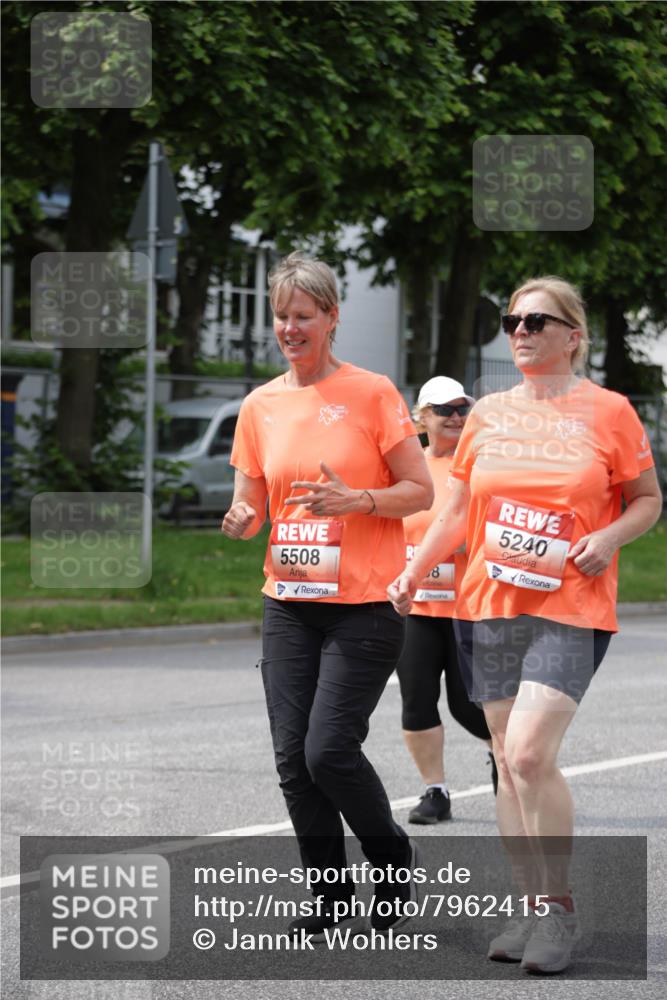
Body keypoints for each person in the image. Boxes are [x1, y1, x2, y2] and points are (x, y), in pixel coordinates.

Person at [388, 276, 661, 974]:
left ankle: (559, 911)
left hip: (571, 605)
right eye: (511, 320)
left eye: (537, 321)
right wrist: (415, 571)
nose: (520, 331)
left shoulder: (607, 411)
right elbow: (456, 511)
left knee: (533, 754)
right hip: (488, 604)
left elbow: (645, 500)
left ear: (572, 335)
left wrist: (609, 539)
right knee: (508, 766)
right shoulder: (487, 415)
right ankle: (530, 906)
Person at [221, 252, 433, 939]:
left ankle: (390, 856)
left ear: (331, 318)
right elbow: (253, 500)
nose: (289, 327)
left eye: (302, 316)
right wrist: (241, 518)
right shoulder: (260, 404)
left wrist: (359, 498)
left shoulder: (371, 393)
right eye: (281, 316)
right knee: (291, 759)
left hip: (365, 608)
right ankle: (330, 894)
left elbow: (420, 490)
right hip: (288, 602)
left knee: (327, 751)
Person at [396, 376, 498, 826]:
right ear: (422, 418)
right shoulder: (406, 470)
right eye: (444, 410)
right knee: (417, 702)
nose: (456, 417)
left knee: (465, 704)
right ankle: (434, 791)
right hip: (414, 609)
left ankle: (505, 751)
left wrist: (466, 542)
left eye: (462, 408)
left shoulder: (479, 465)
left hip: (468, 607)